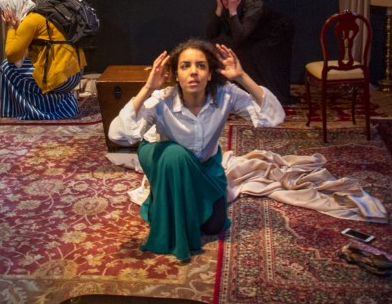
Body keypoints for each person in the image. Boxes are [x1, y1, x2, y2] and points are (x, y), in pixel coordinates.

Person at [108, 38, 285, 260]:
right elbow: (118, 135)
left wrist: (242, 77)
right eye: (185, 66)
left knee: (214, 225)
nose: (193, 72)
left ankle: (173, 197)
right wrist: (148, 87)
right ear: (176, 75)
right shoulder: (162, 99)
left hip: (205, 165)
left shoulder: (225, 94)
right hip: (164, 157)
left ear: (209, 74)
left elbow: (274, 116)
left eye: (201, 66)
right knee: (176, 155)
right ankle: (164, 203)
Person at [0, 0, 86, 120]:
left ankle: (35, 111)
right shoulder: (42, 13)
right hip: (75, 73)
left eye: (4, 11)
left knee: (6, 67)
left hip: (63, 79)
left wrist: (10, 28)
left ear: (12, 8)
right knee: (28, 65)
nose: (3, 16)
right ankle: (57, 105)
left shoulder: (30, 21)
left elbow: (12, 56)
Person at [206, 0, 296, 104]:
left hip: (277, 33)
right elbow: (211, 34)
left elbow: (239, 37)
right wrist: (219, 8)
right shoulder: (226, 6)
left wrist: (232, 11)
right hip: (254, 34)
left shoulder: (254, 7)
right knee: (241, 53)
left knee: (261, 61)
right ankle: (248, 93)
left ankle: (271, 99)